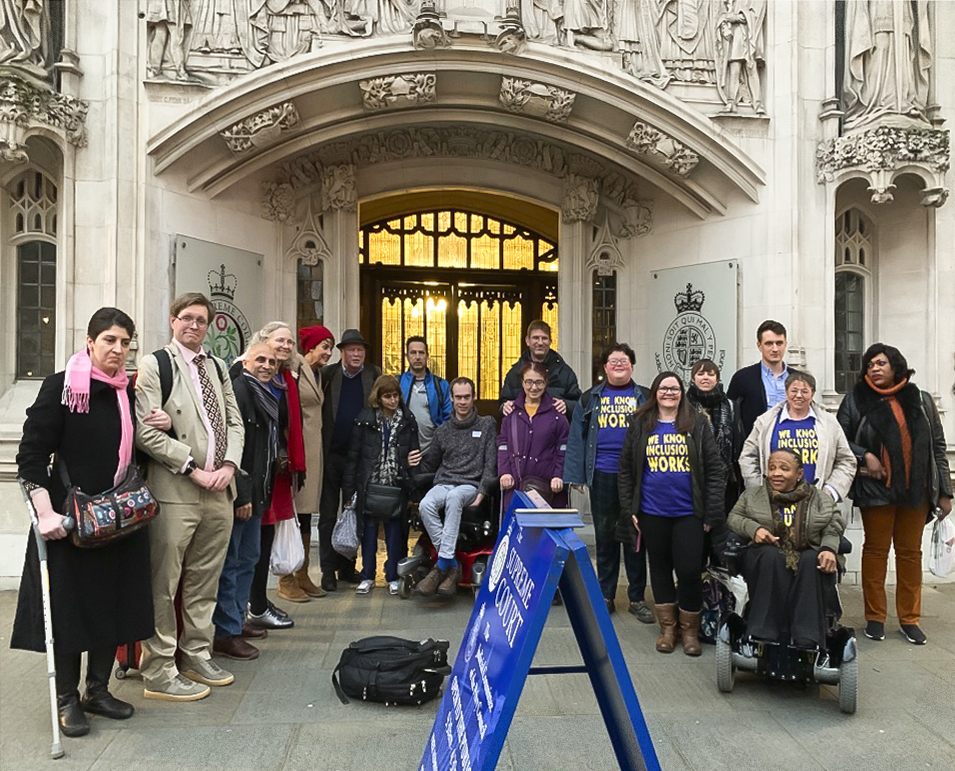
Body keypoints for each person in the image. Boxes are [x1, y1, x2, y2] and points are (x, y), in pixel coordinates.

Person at [12, 307, 163, 736]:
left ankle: (97, 690)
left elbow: (127, 447)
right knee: (69, 611)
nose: (118, 349)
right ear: (90, 342)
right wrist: (45, 513)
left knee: (113, 604)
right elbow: (32, 456)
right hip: (70, 520)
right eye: (110, 340)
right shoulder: (61, 387)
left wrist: (156, 424)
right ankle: (66, 698)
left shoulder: (126, 392)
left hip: (120, 518)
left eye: (125, 342)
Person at [136, 292, 244, 702]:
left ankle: (196, 653)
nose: (193, 325)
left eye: (201, 320)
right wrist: (192, 467)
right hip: (177, 490)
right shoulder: (155, 364)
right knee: (164, 582)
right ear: (172, 320)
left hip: (220, 489)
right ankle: (159, 668)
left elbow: (234, 421)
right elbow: (145, 430)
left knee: (205, 578)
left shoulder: (217, 366)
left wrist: (229, 466)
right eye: (186, 318)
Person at [836, 344, 952, 645]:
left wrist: (945, 493)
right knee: (876, 552)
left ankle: (909, 619)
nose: (875, 368)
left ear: (896, 366)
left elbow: (937, 447)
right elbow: (840, 440)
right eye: (870, 364)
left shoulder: (921, 400)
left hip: (918, 489)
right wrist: (865, 456)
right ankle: (875, 618)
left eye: (882, 363)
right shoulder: (855, 400)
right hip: (877, 488)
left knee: (910, 554)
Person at [616, 371, 725, 656]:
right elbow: (626, 470)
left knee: (689, 571)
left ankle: (689, 631)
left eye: (674, 388)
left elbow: (714, 470)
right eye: (663, 388)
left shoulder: (698, 424)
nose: (669, 393)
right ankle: (667, 628)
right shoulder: (640, 424)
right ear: (655, 392)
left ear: (682, 393)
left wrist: (711, 514)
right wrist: (631, 510)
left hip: (689, 513)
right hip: (652, 512)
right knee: (660, 569)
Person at [563, 343, 652, 622]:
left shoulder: (646, 397)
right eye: (613, 361)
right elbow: (576, 438)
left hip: (638, 477)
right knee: (605, 536)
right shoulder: (589, 398)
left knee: (636, 536)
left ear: (632, 366)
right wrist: (576, 475)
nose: (618, 365)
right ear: (604, 367)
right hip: (601, 473)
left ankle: (637, 598)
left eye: (623, 361)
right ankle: (606, 595)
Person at [727, 449, 844, 649]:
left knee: (811, 560)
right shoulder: (753, 495)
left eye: (784, 468)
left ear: (799, 474)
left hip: (808, 552)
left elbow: (833, 526)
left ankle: (807, 636)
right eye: (772, 468)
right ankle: (762, 631)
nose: (776, 473)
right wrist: (755, 529)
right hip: (765, 555)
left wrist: (828, 549)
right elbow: (734, 518)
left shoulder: (820, 499)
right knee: (772, 555)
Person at [212, 343, 280, 661]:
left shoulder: (264, 393)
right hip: (243, 494)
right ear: (246, 361)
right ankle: (226, 632)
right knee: (233, 563)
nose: (267, 365)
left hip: (258, 492)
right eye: (261, 360)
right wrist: (242, 494)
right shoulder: (240, 389)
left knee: (248, 559)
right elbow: (232, 445)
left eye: (272, 361)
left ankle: (237, 621)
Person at [244, 322, 303, 628]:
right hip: (252, 473)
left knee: (264, 538)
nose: (285, 346)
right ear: (262, 341)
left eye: (290, 342)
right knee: (252, 543)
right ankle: (252, 606)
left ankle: (257, 603)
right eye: (280, 340)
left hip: (275, 472)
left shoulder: (284, 379)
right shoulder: (247, 379)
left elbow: (288, 425)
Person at [416, 377, 498, 597]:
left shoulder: (487, 423)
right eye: (458, 397)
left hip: (469, 485)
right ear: (451, 398)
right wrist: (409, 460)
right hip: (444, 481)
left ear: (474, 397)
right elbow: (430, 463)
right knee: (426, 505)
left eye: (467, 397)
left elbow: (491, 464)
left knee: (454, 497)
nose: (462, 401)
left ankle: (441, 567)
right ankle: (450, 562)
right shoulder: (442, 431)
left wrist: (482, 492)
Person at [343, 375, 422, 595]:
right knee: (368, 532)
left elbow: (414, 455)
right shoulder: (365, 419)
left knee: (395, 533)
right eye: (387, 396)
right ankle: (367, 574)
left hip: (396, 483)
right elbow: (354, 456)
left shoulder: (407, 420)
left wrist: (413, 488)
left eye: (395, 395)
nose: (392, 400)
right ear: (378, 397)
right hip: (370, 483)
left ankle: (393, 576)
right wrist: (349, 489)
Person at [318, 329, 382, 591]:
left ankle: (346, 567)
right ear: (341, 352)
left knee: (353, 513)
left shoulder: (373, 374)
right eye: (351, 350)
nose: (356, 354)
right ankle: (327, 570)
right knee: (328, 514)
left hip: (360, 459)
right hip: (331, 455)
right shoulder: (328, 375)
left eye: (360, 350)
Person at [277, 325, 335, 602]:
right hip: (297, 450)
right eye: (325, 347)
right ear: (310, 347)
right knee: (292, 511)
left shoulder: (317, 372)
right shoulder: (294, 368)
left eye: (330, 348)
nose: (329, 353)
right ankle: (286, 578)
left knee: (305, 513)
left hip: (313, 451)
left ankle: (302, 574)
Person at [740, 371, 856, 504]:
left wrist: (830, 491)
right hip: (773, 503)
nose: (799, 395)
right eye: (794, 390)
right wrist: (758, 489)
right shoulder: (765, 422)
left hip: (815, 504)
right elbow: (747, 457)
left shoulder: (829, 423)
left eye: (805, 391)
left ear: (812, 394)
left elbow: (846, 460)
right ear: (786, 392)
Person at [498, 361, 569, 510]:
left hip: (548, 489)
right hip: (515, 486)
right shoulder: (511, 414)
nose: (534, 387)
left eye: (539, 382)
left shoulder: (557, 415)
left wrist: (559, 475)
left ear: (546, 382)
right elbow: (503, 445)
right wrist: (504, 472)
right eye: (529, 382)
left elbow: (563, 449)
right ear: (522, 383)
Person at [686, 358, 744, 511]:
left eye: (710, 374)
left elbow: (739, 439)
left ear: (717, 379)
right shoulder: (684, 406)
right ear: (693, 379)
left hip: (726, 478)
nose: (705, 378)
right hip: (691, 479)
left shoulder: (731, 406)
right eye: (700, 374)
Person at [500, 320, 581, 420]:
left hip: (555, 432)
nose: (540, 342)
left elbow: (579, 405)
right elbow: (502, 403)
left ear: (550, 341)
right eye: (536, 338)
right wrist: (504, 406)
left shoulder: (565, 373)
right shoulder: (515, 373)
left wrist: (567, 406)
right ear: (527, 341)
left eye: (544, 338)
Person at [727, 319, 794, 438]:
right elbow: (730, 416)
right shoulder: (742, 378)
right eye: (769, 343)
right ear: (759, 345)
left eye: (779, 343)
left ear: (785, 344)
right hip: (755, 446)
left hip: (791, 443)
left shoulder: (797, 379)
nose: (775, 349)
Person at [399, 335, 451, 453]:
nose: (417, 357)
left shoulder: (441, 385)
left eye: (421, 353)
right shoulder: (398, 383)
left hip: (433, 450)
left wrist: (440, 444)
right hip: (405, 450)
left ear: (427, 356)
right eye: (413, 353)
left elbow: (448, 417)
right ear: (406, 356)